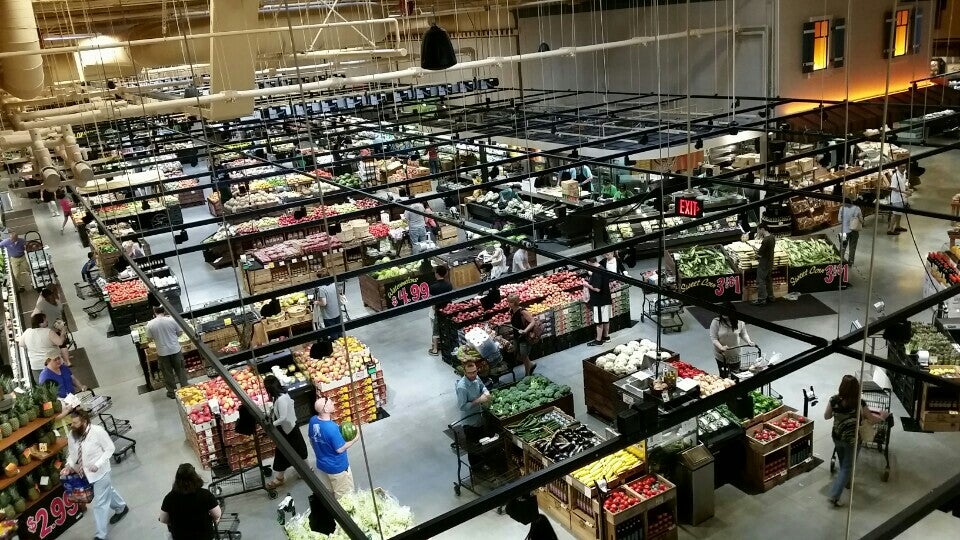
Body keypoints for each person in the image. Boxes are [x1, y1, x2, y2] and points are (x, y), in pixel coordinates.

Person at [61, 408, 129, 540]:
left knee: (99, 503)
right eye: (71, 423)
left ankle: (100, 535)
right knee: (107, 491)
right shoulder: (72, 434)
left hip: (100, 473)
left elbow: (110, 448)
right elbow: (72, 454)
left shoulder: (98, 432)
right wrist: (69, 465)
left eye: (75, 423)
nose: (72, 425)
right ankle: (121, 507)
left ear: (84, 422)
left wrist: (97, 464)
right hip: (83, 474)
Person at [824, 375, 889, 507]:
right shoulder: (859, 403)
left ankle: (846, 481)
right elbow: (871, 419)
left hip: (837, 437)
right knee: (847, 467)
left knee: (843, 462)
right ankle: (835, 496)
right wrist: (882, 416)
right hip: (852, 440)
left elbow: (826, 416)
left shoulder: (834, 400)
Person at [308, 396, 359, 499]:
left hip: (322, 465)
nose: (333, 403)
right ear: (326, 410)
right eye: (331, 403)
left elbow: (311, 439)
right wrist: (355, 438)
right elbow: (340, 449)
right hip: (337, 468)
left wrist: (320, 452)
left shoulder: (313, 420)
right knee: (345, 496)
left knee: (329, 493)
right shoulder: (331, 428)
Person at [264, 375, 308, 489]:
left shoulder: (281, 399)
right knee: (298, 449)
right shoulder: (279, 396)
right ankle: (307, 470)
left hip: (288, 429)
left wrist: (271, 424)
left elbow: (283, 417)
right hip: (289, 427)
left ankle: (280, 478)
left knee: (284, 452)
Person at [159, 463, 222, 540]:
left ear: (177, 479)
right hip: (204, 536)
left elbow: (163, 519)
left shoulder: (169, 498)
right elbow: (217, 514)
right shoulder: (206, 495)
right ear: (195, 477)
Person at [145, 306, 188, 399]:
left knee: (167, 373)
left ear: (154, 312)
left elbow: (149, 339)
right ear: (164, 311)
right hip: (175, 350)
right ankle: (186, 389)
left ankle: (172, 392)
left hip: (162, 352)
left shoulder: (150, 324)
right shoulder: (172, 320)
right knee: (180, 370)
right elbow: (180, 333)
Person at [455, 361, 491, 466]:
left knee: (481, 442)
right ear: (465, 372)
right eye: (470, 373)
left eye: (474, 372)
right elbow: (462, 407)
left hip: (479, 417)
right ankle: (476, 469)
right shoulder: (462, 387)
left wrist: (486, 392)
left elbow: (482, 386)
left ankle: (484, 464)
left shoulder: (476, 378)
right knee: (473, 449)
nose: (473, 375)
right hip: (469, 423)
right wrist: (479, 400)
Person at [19, 313, 68, 382]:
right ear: (40, 323)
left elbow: (21, 344)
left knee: (44, 386)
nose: (47, 321)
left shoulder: (27, 332)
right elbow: (60, 342)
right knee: (61, 384)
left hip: (36, 366)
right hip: (51, 364)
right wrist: (63, 331)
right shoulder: (48, 332)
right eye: (45, 320)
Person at [710, 302, 756, 377]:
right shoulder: (716, 322)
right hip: (721, 355)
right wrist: (721, 347)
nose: (723, 314)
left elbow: (743, 334)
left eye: (726, 312)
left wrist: (749, 341)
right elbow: (714, 338)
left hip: (735, 354)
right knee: (723, 375)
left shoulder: (739, 321)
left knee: (735, 375)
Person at [584, 257, 612, 345]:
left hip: (599, 301)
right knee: (606, 319)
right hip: (606, 299)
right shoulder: (602, 268)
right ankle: (606, 337)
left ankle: (598, 340)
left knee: (599, 321)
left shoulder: (597, 272)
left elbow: (597, 289)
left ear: (589, 262)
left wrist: (587, 285)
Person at [507, 294, 537, 375]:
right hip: (516, 336)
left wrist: (525, 330)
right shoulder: (511, 311)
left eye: (511, 302)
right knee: (518, 356)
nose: (509, 304)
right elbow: (514, 320)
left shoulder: (522, 311)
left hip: (524, 337)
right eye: (508, 302)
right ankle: (531, 364)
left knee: (524, 356)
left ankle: (527, 373)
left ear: (516, 302)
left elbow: (532, 321)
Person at [428, 265, 454, 356]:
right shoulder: (449, 284)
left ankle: (435, 349)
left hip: (438, 310)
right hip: (448, 309)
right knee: (447, 326)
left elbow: (432, 302)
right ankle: (448, 344)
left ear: (437, 274)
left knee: (435, 328)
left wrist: (433, 308)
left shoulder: (433, 287)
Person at [753, 224, 776, 305]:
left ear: (762, 229)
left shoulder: (766, 240)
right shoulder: (772, 237)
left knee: (760, 281)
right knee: (768, 280)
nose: (758, 232)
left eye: (758, 230)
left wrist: (756, 256)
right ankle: (771, 296)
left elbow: (760, 254)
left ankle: (761, 299)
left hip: (764, 263)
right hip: (770, 262)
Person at [401, 188, 429, 254]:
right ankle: (425, 257)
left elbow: (405, 219)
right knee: (423, 243)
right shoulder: (421, 206)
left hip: (414, 229)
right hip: (422, 227)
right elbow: (425, 214)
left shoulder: (408, 208)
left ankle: (417, 257)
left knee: (415, 244)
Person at [887, 163, 911, 235]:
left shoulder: (904, 174)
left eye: (904, 167)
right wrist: (904, 192)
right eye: (902, 167)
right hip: (896, 198)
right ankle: (890, 230)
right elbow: (893, 188)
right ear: (898, 167)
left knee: (899, 213)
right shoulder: (895, 176)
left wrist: (907, 188)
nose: (903, 168)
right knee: (895, 214)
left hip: (902, 197)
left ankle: (897, 226)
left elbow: (904, 183)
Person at [838, 198, 864, 265]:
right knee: (852, 247)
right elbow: (861, 219)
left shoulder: (841, 208)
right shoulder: (857, 208)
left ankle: (840, 260)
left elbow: (839, 220)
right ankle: (851, 261)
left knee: (842, 246)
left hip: (844, 231)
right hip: (854, 230)